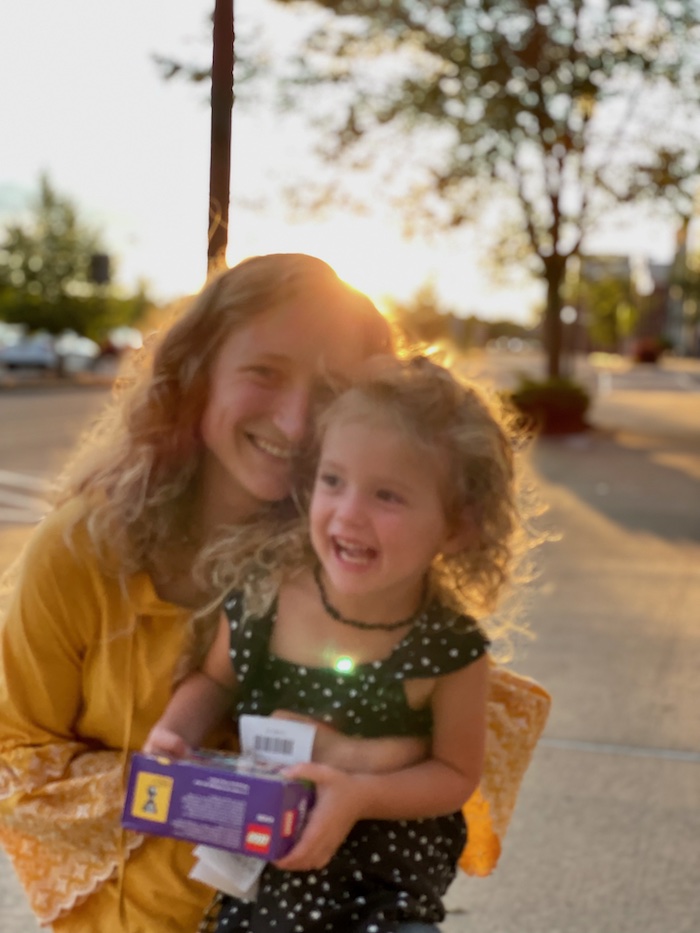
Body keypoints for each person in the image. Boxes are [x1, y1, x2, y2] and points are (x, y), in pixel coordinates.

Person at [0, 253, 415, 933]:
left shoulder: (366, 562)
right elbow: (16, 760)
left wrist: (360, 775)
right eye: (265, 372)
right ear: (197, 374)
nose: (297, 420)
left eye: (335, 388)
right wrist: (194, 792)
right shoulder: (84, 548)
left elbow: (440, 751)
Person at [145, 354, 534, 933]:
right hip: (264, 860)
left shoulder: (450, 649)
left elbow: (455, 775)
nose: (348, 514)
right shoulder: (264, 599)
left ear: (457, 527)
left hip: (385, 879)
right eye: (333, 481)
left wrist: (358, 794)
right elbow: (216, 680)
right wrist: (175, 733)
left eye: (388, 496)